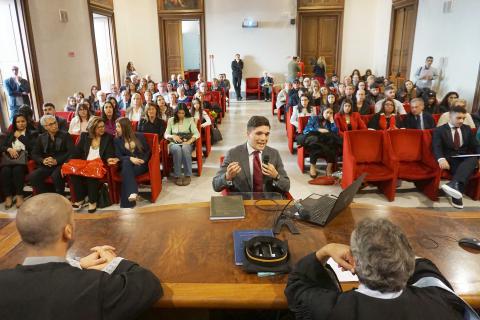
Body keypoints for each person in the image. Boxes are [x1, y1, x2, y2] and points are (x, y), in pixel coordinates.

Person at [0, 193, 162, 320]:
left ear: (22, 235)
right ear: (68, 231)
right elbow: (149, 284)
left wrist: (76, 264)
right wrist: (114, 261)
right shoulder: (93, 285)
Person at [285, 218, 471, 320]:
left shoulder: (330, 310)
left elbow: (296, 285)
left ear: (354, 263)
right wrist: (392, 253)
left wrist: (325, 251)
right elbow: (426, 268)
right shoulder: (441, 300)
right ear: (405, 259)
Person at [212, 116, 290, 194]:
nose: (264, 138)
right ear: (248, 134)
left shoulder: (274, 154)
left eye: (266, 134)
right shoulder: (233, 154)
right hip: (242, 203)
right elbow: (216, 185)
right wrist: (227, 176)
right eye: (259, 133)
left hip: (267, 203)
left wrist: (276, 176)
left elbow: (286, 186)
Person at [434, 107, 480, 209]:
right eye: (458, 118)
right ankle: (457, 190)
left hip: (464, 156)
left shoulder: (467, 128)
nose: (461, 121)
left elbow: (476, 145)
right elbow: (436, 146)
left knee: (473, 159)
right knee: (465, 166)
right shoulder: (440, 130)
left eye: (463, 118)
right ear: (450, 116)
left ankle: (453, 184)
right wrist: (441, 158)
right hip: (450, 157)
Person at [69, 117, 118, 213]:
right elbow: (76, 152)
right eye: (98, 127)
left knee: (91, 174)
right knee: (73, 173)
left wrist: (109, 159)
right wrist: (71, 163)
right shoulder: (84, 136)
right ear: (92, 128)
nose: (102, 129)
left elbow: (109, 153)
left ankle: (92, 201)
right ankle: (80, 199)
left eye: (103, 126)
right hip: (85, 164)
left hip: (100, 164)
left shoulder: (108, 137)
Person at [29, 115, 74, 195]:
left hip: (61, 163)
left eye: (55, 123)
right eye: (51, 124)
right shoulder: (41, 137)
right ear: (45, 127)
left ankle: (59, 196)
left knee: (56, 175)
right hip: (47, 164)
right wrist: (43, 160)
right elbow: (34, 154)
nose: (54, 125)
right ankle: (45, 196)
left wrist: (57, 161)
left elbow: (71, 152)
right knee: (33, 176)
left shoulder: (65, 135)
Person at [0, 114, 37, 209]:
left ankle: (19, 195)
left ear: (27, 122)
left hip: (24, 161)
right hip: (10, 160)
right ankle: (8, 196)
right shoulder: (10, 134)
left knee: (17, 170)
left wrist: (20, 137)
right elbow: (2, 146)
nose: (20, 124)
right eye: (18, 122)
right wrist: (9, 149)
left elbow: (33, 147)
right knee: (5, 171)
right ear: (15, 123)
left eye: (23, 121)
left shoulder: (33, 133)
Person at [114, 118, 151, 208]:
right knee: (126, 162)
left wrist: (144, 160)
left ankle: (128, 201)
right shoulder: (116, 140)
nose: (116, 129)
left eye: (118, 126)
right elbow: (118, 156)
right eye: (116, 127)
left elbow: (148, 151)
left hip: (140, 164)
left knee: (126, 173)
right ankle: (133, 192)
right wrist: (130, 158)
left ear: (125, 127)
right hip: (127, 164)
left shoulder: (139, 136)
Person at [164, 103, 199, 186]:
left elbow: (197, 134)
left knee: (185, 148)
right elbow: (166, 134)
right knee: (177, 149)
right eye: (179, 113)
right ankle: (177, 175)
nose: (181, 115)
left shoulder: (190, 119)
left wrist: (189, 142)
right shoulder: (171, 120)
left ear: (185, 112)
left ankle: (187, 175)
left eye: (183, 113)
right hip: (174, 143)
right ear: (176, 112)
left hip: (187, 141)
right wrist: (172, 136)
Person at [300, 107, 340, 178]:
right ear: (322, 112)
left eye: (331, 113)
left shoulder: (331, 121)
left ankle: (329, 168)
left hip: (326, 141)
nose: (329, 114)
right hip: (315, 139)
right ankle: (312, 166)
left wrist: (332, 122)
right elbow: (306, 130)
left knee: (333, 145)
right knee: (315, 146)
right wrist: (318, 130)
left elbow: (335, 133)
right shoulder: (314, 118)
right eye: (327, 112)